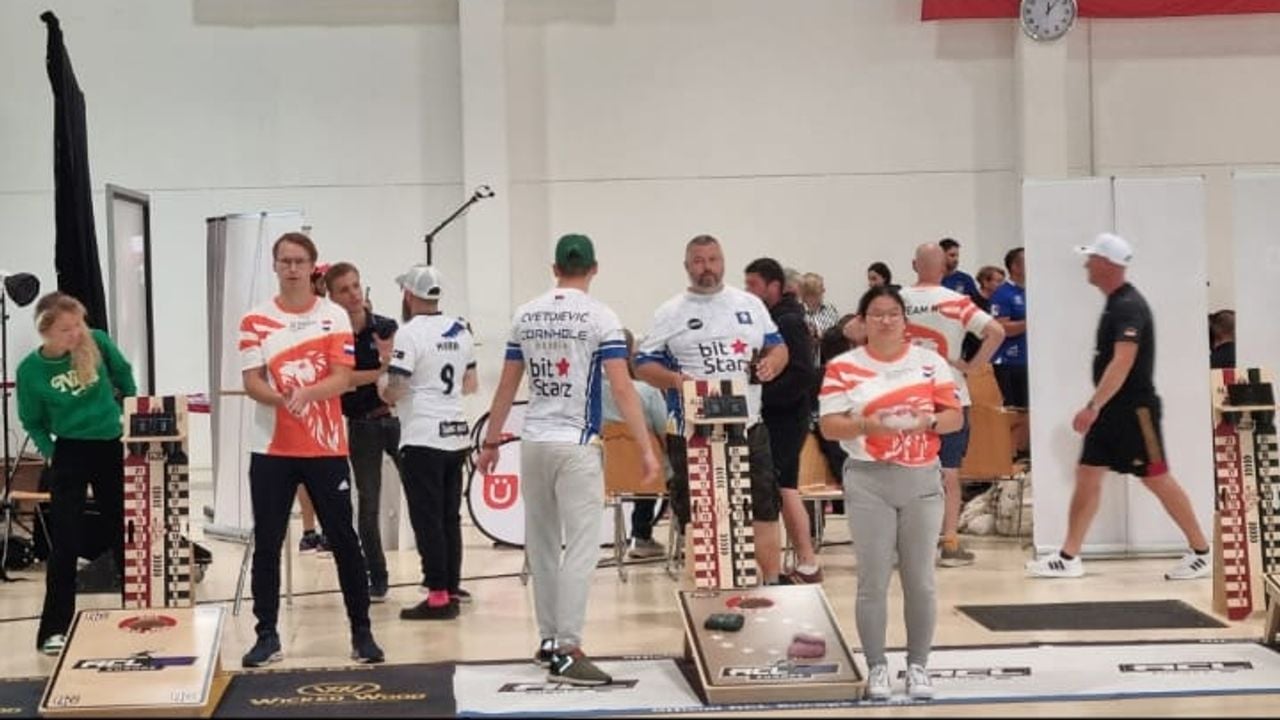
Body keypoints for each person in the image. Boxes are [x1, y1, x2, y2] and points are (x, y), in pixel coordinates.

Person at [477, 234, 659, 686]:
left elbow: (506, 386)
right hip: (576, 444)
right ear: (594, 268)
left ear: (554, 268)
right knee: (580, 549)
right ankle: (567, 647)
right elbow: (621, 388)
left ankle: (546, 640)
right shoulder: (602, 317)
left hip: (534, 440)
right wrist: (645, 447)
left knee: (540, 545)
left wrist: (490, 442)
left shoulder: (527, 314)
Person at [1026, 233, 1211, 581]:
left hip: (1134, 412)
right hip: (1112, 411)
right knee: (1088, 473)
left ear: (1107, 264)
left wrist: (1093, 406)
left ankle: (1202, 551)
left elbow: (1123, 361)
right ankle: (1068, 557)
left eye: (1091, 258)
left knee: (1156, 477)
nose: (1085, 264)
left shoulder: (1129, 306)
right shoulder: (1116, 303)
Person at [238, 232, 383, 667]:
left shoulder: (334, 316)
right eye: (285, 261)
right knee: (267, 541)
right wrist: (282, 399)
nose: (293, 268)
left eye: (300, 261)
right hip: (271, 448)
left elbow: (343, 377)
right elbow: (252, 380)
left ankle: (362, 633)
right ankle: (266, 634)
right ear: (275, 265)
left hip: (325, 447)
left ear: (312, 265)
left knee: (344, 537)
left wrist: (309, 393)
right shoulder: (255, 320)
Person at [818, 286, 963, 701]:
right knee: (872, 579)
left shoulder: (930, 363)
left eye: (893, 313)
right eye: (876, 314)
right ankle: (877, 665)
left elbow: (954, 417)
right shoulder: (844, 367)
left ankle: (918, 665)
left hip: (921, 479)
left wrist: (927, 421)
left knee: (920, 579)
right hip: (868, 479)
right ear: (862, 322)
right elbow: (830, 425)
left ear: (904, 319)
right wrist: (866, 426)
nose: (885, 321)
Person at [635, 234, 789, 585]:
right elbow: (642, 363)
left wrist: (772, 365)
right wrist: (675, 380)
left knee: (764, 507)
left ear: (724, 261)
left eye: (714, 259)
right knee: (699, 514)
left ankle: (772, 582)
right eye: (699, 261)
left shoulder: (749, 304)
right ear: (687, 266)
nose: (708, 268)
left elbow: (777, 346)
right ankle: (706, 588)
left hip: (748, 423)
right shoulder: (670, 311)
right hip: (692, 430)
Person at [17, 292, 137, 656]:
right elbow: (31, 421)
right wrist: (53, 453)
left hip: (109, 442)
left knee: (123, 530)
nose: (77, 334)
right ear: (46, 332)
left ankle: (140, 613)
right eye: (67, 329)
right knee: (65, 541)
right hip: (69, 449)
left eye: (79, 324)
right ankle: (54, 629)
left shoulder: (97, 341)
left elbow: (125, 375)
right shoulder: (30, 370)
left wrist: (129, 415)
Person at [900, 244, 1005, 567]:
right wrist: (971, 367)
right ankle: (950, 545)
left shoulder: (897, 300)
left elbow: (856, 331)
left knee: (904, 472)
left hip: (906, 396)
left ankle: (907, 547)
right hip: (950, 396)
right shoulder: (957, 302)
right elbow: (996, 331)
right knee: (949, 473)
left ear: (914, 264)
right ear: (944, 268)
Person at [382, 264, 478, 620]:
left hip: (422, 435)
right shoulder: (461, 330)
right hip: (457, 433)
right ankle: (451, 586)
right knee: (449, 517)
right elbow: (470, 383)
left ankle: (437, 595)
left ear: (408, 295)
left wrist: (385, 390)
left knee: (427, 520)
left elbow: (397, 388)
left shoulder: (408, 334)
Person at [323, 262, 401, 602]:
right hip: (361, 425)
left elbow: (400, 372)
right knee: (368, 503)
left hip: (397, 420)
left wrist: (387, 366)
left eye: (356, 286)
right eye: (344, 289)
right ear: (332, 296)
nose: (353, 294)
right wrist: (379, 370)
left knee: (424, 494)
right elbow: (343, 381)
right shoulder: (332, 337)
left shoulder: (384, 327)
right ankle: (378, 576)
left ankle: (439, 578)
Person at [745, 257, 822, 583]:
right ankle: (806, 561)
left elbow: (803, 373)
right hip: (782, 414)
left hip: (786, 417)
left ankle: (803, 560)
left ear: (774, 286)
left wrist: (763, 396)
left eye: (754, 285)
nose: (748, 291)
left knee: (777, 487)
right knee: (785, 486)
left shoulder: (787, 321)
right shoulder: (777, 318)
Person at [600, 329, 670, 559]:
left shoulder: (593, 391)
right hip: (647, 472)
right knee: (665, 461)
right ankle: (644, 535)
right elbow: (664, 428)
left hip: (606, 472)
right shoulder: (647, 391)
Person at [990, 248, 1028, 409]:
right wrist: (1032, 322)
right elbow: (1001, 327)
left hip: (1030, 360)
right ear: (1015, 266)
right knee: (1016, 411)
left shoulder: (1033, 290)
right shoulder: (1003, 293)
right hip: (1009, 362)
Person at [799, 272, 841, 341]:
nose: (824, 290)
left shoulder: (830, 308)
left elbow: (839, 332)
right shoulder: (799, 313)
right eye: (821, 288)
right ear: (810, 293)